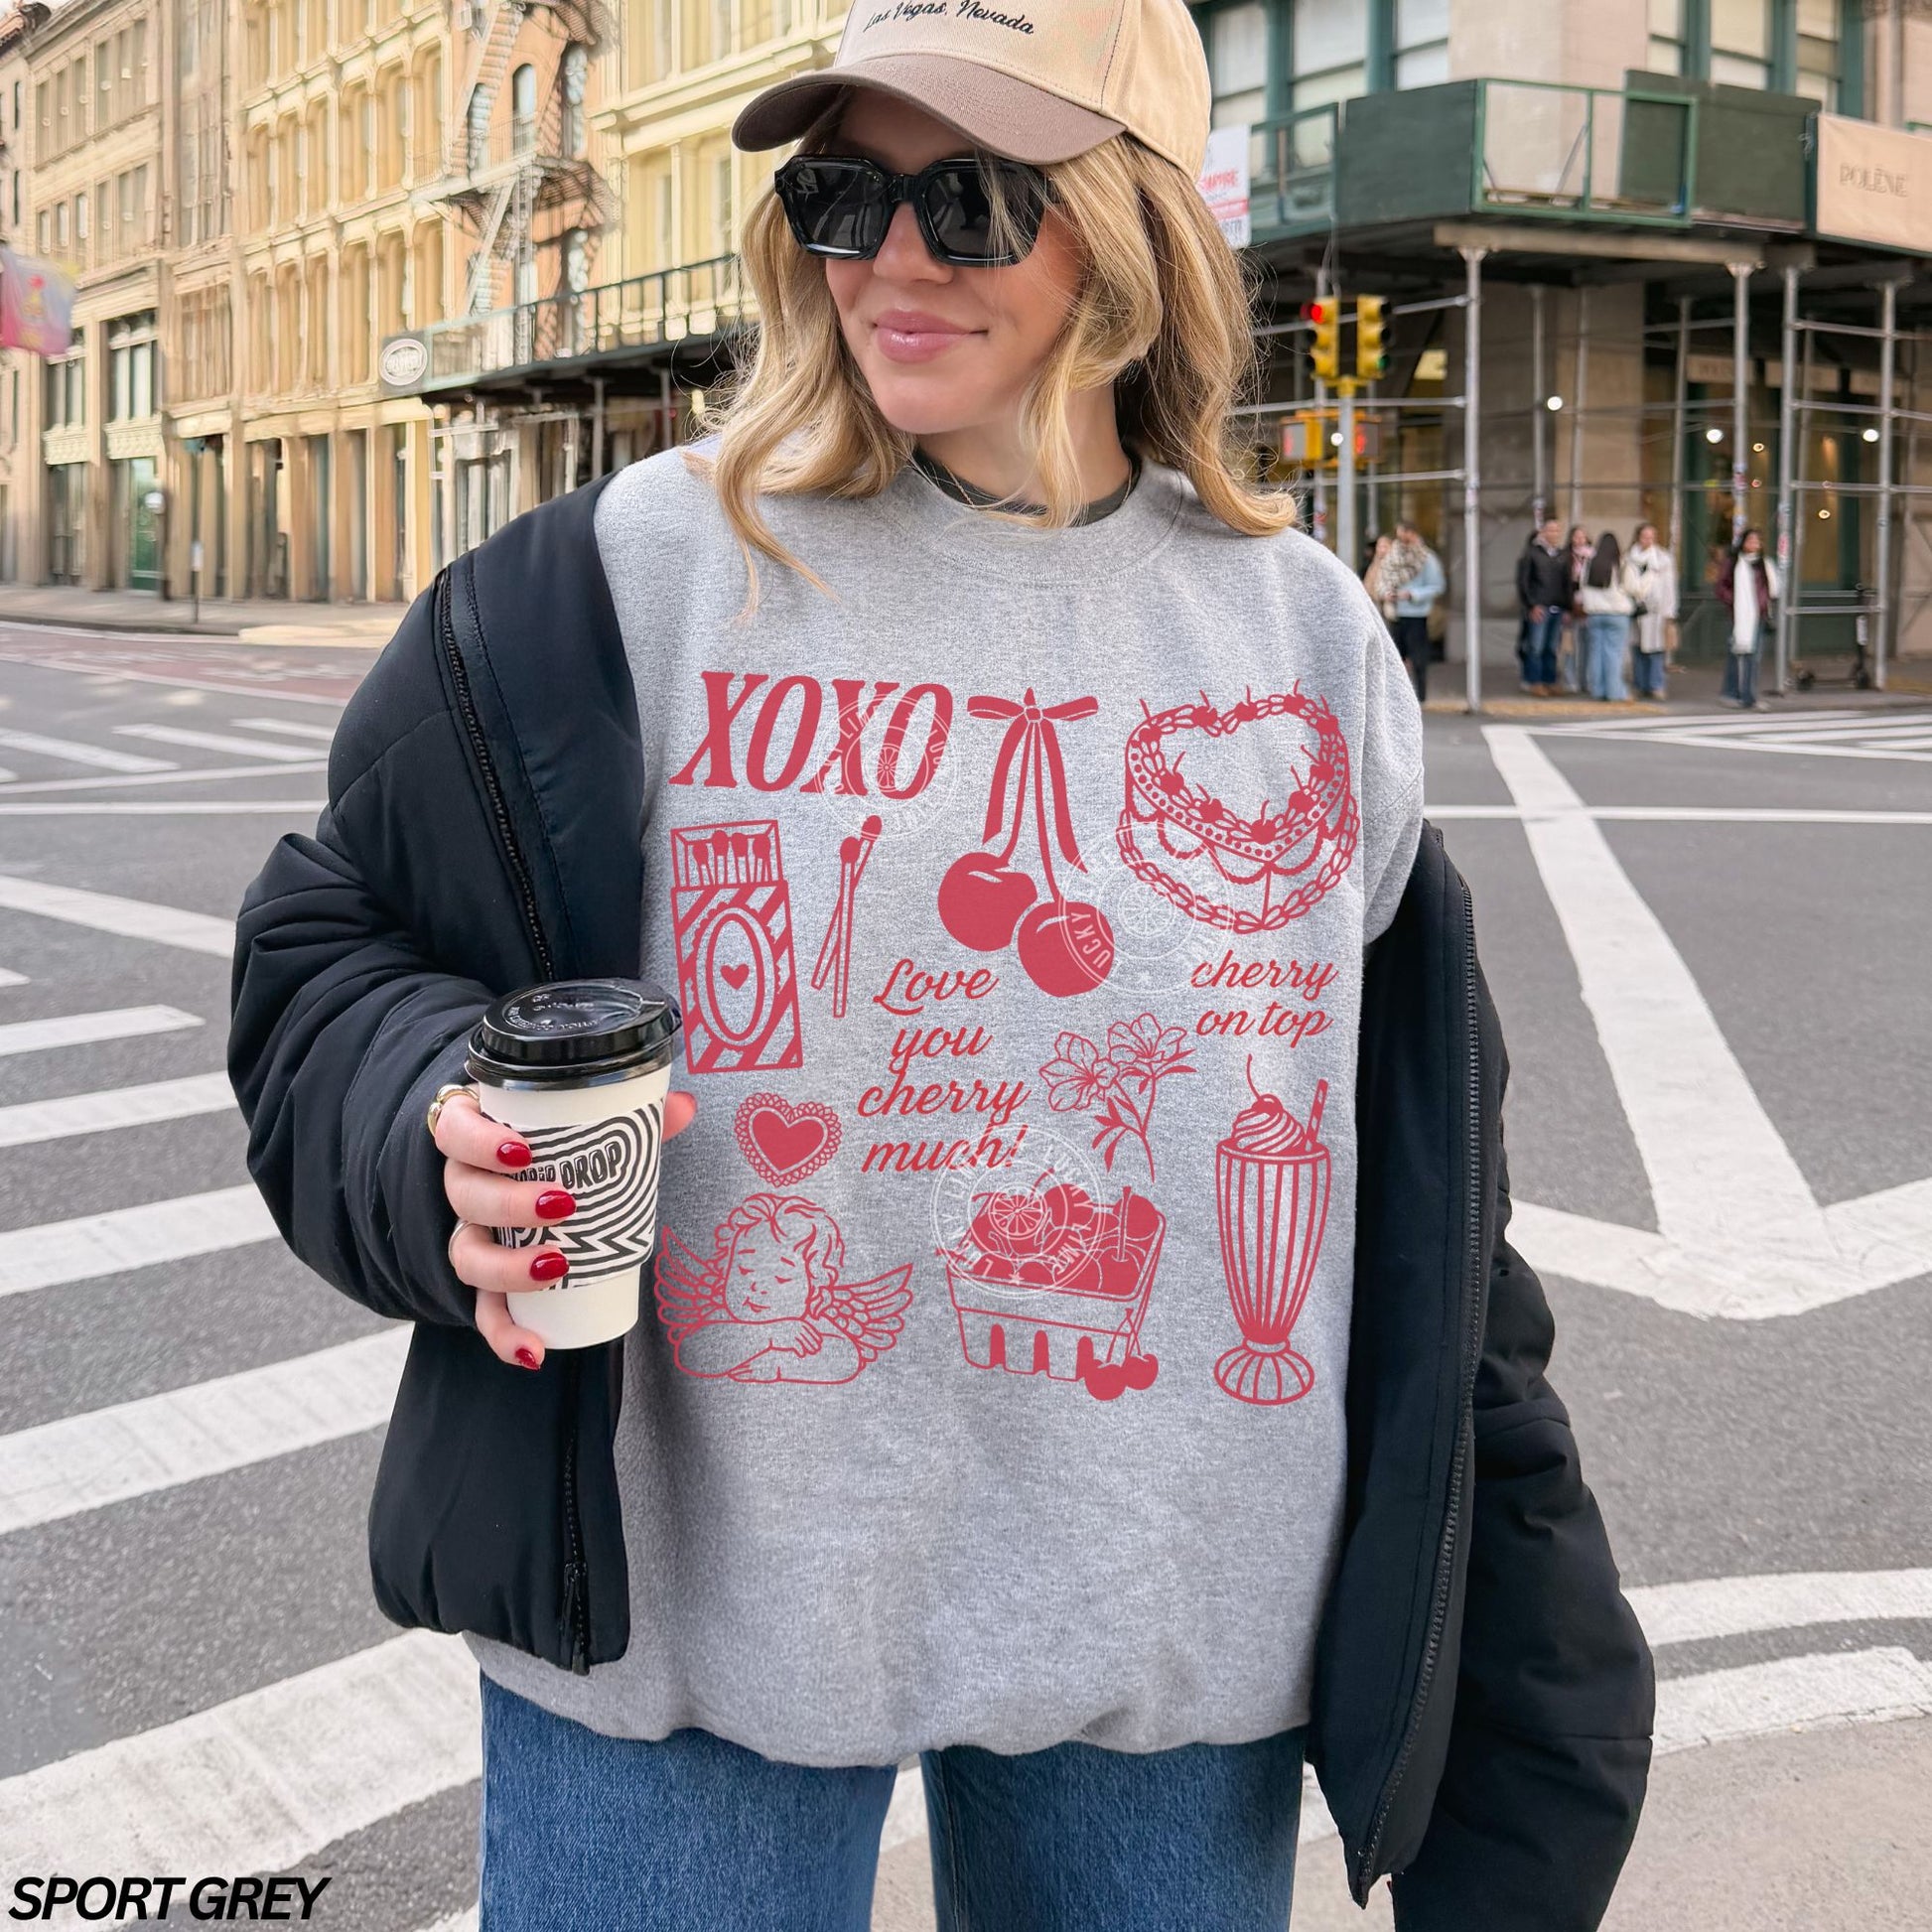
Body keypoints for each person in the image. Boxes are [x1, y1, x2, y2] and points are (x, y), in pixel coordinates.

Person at [227, 2, 1653, 1925]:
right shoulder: (621, 584)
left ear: (1125, 222)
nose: (889, 254)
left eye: (966, 200)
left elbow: (1411, 1193)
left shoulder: (1305, 639)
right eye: (840, 191)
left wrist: (1526, 1660)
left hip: (1173, 1643)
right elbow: (333, 942)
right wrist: (431, 1132)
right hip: (699, 1630)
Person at [1368, 518, 1443, 702]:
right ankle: (1395, 699)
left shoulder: (1426, 558)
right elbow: (1381, 580)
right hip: (1394, 613)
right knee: (1393, 660)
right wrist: (1386, 593)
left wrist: (1412, 594)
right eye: (1400, 537)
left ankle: (1421, 697)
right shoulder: (1392, 557)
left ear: (1414, 535)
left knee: (1418, 660)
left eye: (1406, 536)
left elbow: (1437, 586)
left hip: (1416, 614)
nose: (1403, 541)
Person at [1718, 526, 1779, 708]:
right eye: (1750, 540)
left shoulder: (1764, 564)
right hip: (1737, 615)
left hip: (1758, 615)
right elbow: (1721, 587)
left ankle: (1749, 696)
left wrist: (1762, 603)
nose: (1754, 544)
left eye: (1757, 541)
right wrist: (1734, 601)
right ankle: (1731, 693)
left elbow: (1772, 589)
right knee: (1735, 654)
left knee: (1754, 657)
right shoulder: (1733, 563)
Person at [1577, 530, 1633, 702]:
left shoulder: (1590, 564)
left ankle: (1598, 690)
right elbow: (1632, 588)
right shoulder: (1621, 564)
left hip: (1594, 614)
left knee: (1596, 653)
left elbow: (1582, 586)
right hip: (1617, 614)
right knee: (1614, 654)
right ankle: (1615, 692)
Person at [1623, 522, 1677, 701]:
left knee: (1656, 649)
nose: (1648, 540)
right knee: (1637, 648)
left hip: (1656, 610)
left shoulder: (1663, 559)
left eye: (1651, 537)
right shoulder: (1629, 557)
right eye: (1645, 536)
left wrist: (1670, 612)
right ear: (1638, 537)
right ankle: (1639, 684)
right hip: (1635, 610)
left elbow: (1670, 587)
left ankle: (1656, 685)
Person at [1516, 515, 1570, 696]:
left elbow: (1566, 583)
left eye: (1557, 530)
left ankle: (1550, 680)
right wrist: (1531, 605)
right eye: (1550, 530)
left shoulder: (1562, 555)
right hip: (1540, 607)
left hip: (1557, 607)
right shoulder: (1532, 553)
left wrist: (1567, 607)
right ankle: (1534, 681)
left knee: (1552, 647)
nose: (1554, 533)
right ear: (1543, 532)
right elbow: (1523, 582)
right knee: (1536, 647)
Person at [1560, 523, 1594, 692]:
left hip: (1589, 606)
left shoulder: (1593, 557)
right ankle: (1570, 680)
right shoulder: (1565, 557)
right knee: (1569, 645)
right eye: (1576, 536)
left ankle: (1586, 680)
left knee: (1588, 644)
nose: (1580, 540)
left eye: (1583, 536)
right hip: (1570, 606)